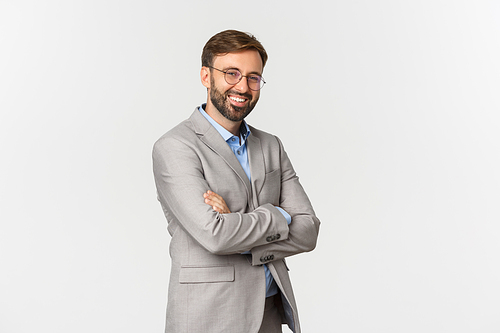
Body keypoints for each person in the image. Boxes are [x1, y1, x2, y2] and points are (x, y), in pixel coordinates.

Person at [152, 29, 320, 333]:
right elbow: (216, 235)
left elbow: (308, 229)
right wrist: (280, 215)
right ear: (206, 76)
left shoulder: (271, 145)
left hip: (268, 313)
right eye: (231, 73)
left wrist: (237, 224)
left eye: (253, 77)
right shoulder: (175, 147)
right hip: (210, 315)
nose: (243, 86)